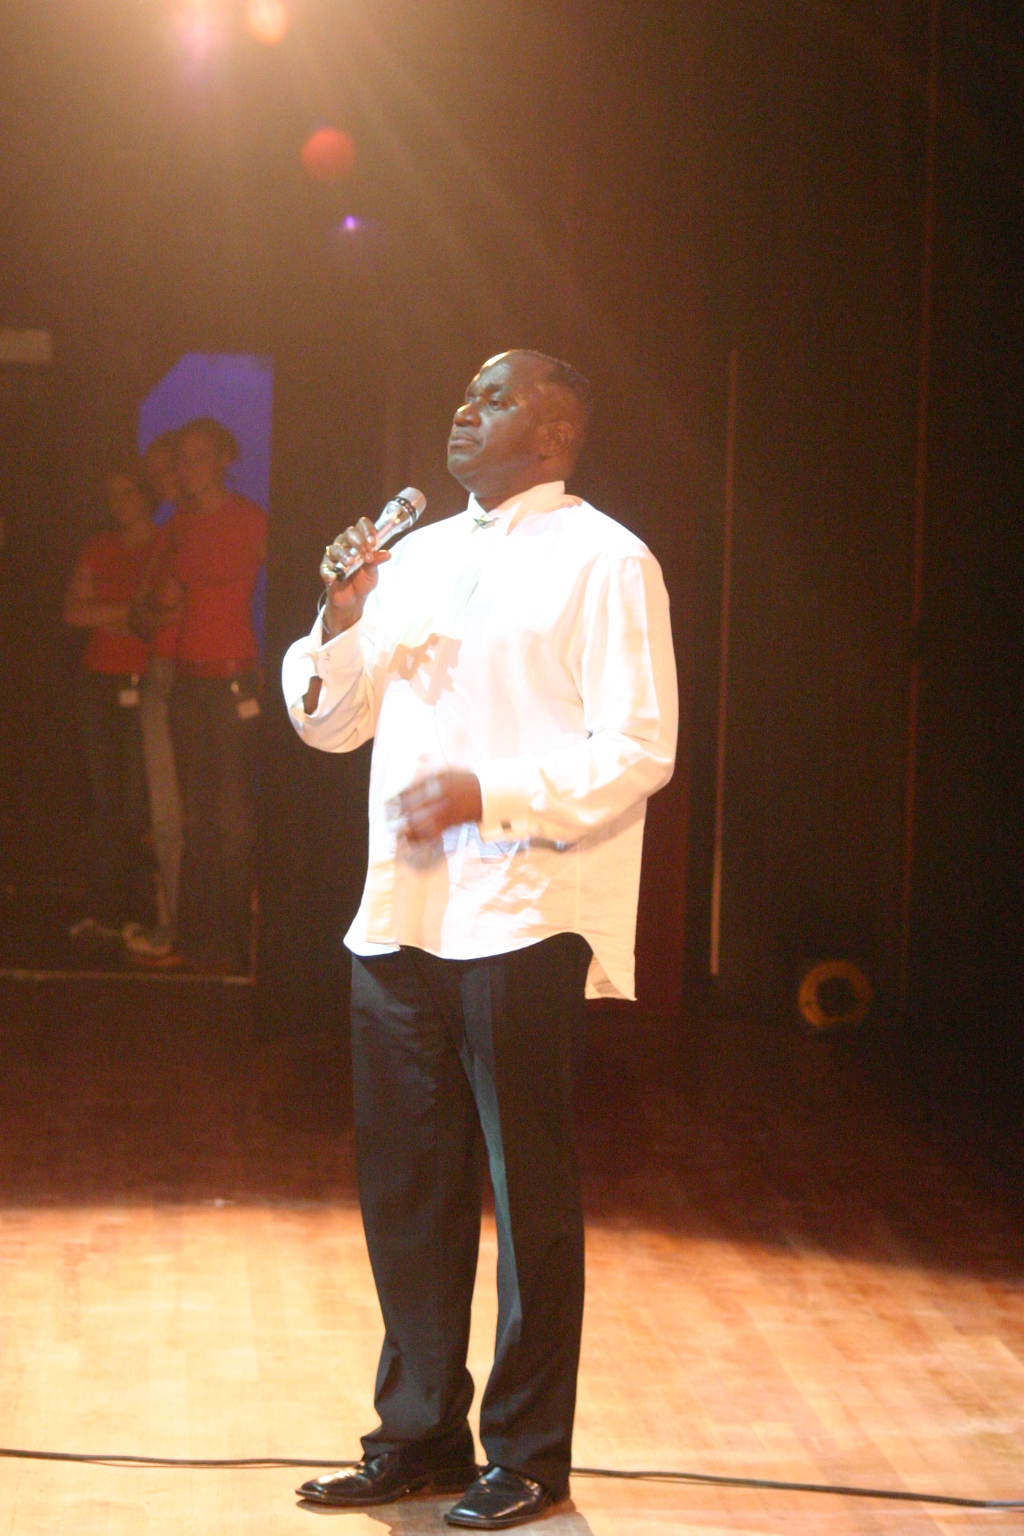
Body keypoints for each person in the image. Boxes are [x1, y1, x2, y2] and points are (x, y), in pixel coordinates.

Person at [281, 350, 678, 1529]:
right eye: (463, 393)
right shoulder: (416, 558)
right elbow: (330, 724)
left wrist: (485, 794)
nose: (466, 409)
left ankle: (528, 1456)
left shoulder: (605, 558)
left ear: (556, 435)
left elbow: (638, 748)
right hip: (402, 914)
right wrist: (339, 613)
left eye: (497, 398)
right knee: (407, 1191)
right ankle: (417, 1436)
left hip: (523, 911)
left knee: (527, 1193)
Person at [163, 418, 267, 975]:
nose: (189, 466)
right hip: (187, 680)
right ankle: (192, 939)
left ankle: (232, 945)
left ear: (223, 459)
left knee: (232, 818)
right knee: (196, 818)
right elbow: (166, 600)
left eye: (200, 455)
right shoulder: (180, 523)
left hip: (232, 680)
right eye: (183, 457)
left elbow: (291, 586)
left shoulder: (250, 519)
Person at [64, 455, 159, 939]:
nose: (120, 503)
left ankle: (140, 911)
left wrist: (109, 612)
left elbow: (157, 617)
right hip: (97, 682)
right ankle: (105, 912)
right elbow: (72, 612)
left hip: (146, 680)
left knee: (138, 801)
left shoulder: (163, 544)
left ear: (145, 494)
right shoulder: (98, 546)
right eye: (112, 496)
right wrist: (126, 612)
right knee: (104, 800)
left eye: (128, 492)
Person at [123, 431, 185, 962]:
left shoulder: (230, 522)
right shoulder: (168, 534)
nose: (163, 480)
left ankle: (192, 928)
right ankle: (174, 924)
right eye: (157, 472)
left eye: (170, 467)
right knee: (165, 813)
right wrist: (163, 610)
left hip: (208, 676)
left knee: (212, 815)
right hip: (163, 672)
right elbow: (141, 615)